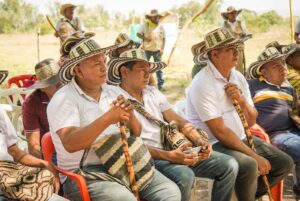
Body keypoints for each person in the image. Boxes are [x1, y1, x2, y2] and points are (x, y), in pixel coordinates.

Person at [47, 34, 181, 201]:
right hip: (85, 172)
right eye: (97, 64)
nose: (104, 67)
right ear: (78, 70)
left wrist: (130, 116)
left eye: (104, 61)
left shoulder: (113, 91)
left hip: (122, 160)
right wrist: (106, 119)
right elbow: (71, 143)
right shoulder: (64, 99)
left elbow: (136, 133)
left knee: (170, 192)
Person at [107, 48, 239, 201]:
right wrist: (169, 157)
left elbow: (178, 120)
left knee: (229, 165)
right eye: (141, 70)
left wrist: (199, 141)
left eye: (148, 70)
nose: (147, 74)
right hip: (147, 157)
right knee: (185, 175)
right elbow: (127, 144)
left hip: (173, 149)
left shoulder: (152, 92)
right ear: (124, 72)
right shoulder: (115, 98)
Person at [186, 27, 293, 201]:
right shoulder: (202, 83)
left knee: (284, 163)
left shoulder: (237, 77)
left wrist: (241, 100)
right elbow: (219, 132)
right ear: (214, 54)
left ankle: (244, 195)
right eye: (230, 49)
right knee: (250, 164)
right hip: (214, 143)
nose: (237, 53)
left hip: (241, 137)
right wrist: (254, 155)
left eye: (237, 48)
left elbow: (251, 121)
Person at [248, 46, 300, 197]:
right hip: (274, 135)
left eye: (283, 63)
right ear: (263, 71)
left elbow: (296, 111)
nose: (283, 68)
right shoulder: (252, 86)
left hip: (293, 131)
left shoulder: (288, 88)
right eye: (276, 65)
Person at [0, 72, 57, 201]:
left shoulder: (0, 113)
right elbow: (33, 144)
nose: (60, 85)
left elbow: (15, 151)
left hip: (11, 177)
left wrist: (43, 164)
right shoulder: (32, 102)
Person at [22, 59, 61, 159]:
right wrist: (46, 169)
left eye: (62, 80)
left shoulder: (74, 92)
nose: (61, 84)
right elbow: (34, 147)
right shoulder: (32, 103)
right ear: (42, 88)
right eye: (55, 84)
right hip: (51, 153)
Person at [137, 9, 166, 91]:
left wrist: (162, 49)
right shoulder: (145, 25)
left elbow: (164, 38)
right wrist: (145, 38)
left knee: (159, 68)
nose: (157, 18)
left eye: (158, 17)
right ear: (151, 17)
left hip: (157, 50)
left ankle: (161, 85)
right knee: (144, 68)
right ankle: (143, 84)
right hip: (147, 50)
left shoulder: (160, 26)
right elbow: (138, 34)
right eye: (155, 17)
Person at [221, 6, 248, 74]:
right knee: (228, 67)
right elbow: (222, 38)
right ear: (227, 15)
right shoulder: (224, 25)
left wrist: (241, 40)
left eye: (235, 13)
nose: (234, 14)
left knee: (239, 68)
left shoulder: (241, 23)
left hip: (239, 49)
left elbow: (246, 35)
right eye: (231, 13)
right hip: (228, 49)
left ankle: (239, 82)